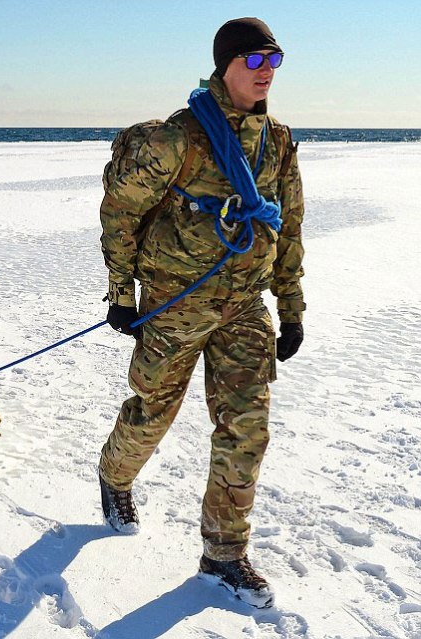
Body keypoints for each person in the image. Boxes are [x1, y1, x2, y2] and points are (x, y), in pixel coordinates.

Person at [97, 17, 305, 608]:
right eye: (256, 61)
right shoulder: (176, 139)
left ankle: (223, 555)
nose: (267, 72)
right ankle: (114, 476)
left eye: (275, 61)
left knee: (246, 430)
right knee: (152, 414)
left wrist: (290, 307)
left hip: (244, 307)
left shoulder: (280, 142)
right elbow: (120, 214)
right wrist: (121, 294)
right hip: (175, 306)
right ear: (226, 65)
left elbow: (286, 227)